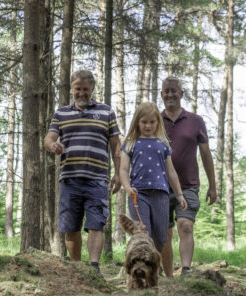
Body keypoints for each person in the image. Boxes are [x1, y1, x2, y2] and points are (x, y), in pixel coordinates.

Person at [44, 70, 121, 278]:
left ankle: (94, 268)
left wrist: (119, 173)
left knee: (96, 223)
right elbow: (49, 138)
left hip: (97, 179)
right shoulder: (61, 113)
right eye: (78, 89)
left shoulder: (106, 112)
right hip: (69, 179)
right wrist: (53, 146)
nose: (82, 93)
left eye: (86, 89)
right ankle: (77, 268)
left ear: (92, 89)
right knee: (71, 226)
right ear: (72, 88)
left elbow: (116, 145)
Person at [158, 76, 217, 277]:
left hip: (188, 186)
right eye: (166, 91)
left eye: (173, 90)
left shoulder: (196, 121)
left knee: (185, 225)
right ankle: (167, 277)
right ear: (161, 94)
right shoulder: (154, 120)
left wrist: (213, 185)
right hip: (160, 186)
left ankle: (185, 271)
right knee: (164, 233)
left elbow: (206, 154)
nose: (170, 94)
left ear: (181, 94)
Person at [115, 102, 187, 252]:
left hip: (160, 193)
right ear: (137, 122)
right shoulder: (130, 143)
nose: (148, 126)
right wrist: (127, 188)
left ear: (158, 122)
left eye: (152, 122)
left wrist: (179, 195)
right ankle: (140, 266)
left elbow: (171, 172)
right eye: (144, 122)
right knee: (142, 233)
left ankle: (154, 263)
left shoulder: (163, 144)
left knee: (161, 237)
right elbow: (123, 170)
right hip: (138, 193)